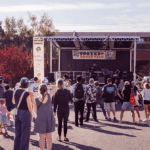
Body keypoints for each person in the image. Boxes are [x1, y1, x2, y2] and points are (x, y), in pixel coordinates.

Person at [13, 77, 33, 150]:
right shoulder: (27, 94)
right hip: (25, 113)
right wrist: (32, 114)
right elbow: (29, 106)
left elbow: (13, 102)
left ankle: (16, 148)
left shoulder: (16, 91)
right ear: (27, 84)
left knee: (17, 132)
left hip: (17, 112)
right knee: (25, 134)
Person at [34, 84, 55, 150]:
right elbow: (55, 87)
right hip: (49, 117)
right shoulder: (49, 96)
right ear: (46, 89)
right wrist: (46, 86)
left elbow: (35, 111)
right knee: (49, 136)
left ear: (39, 90)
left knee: (41, 137)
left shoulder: (36, 99)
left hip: (40, 118)